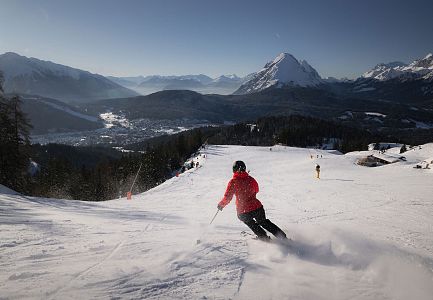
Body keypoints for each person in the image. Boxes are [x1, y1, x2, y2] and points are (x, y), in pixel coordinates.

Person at [217, 160, 287, 241]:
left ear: (234, 170)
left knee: (249, 222)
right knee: (264, 222)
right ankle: (282, 237)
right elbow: (256, 190)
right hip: (257, 207)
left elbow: (228, 197)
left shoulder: (233, 182)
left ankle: (264, 237)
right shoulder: (250, 179)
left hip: (243, 211)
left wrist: (221, 205)